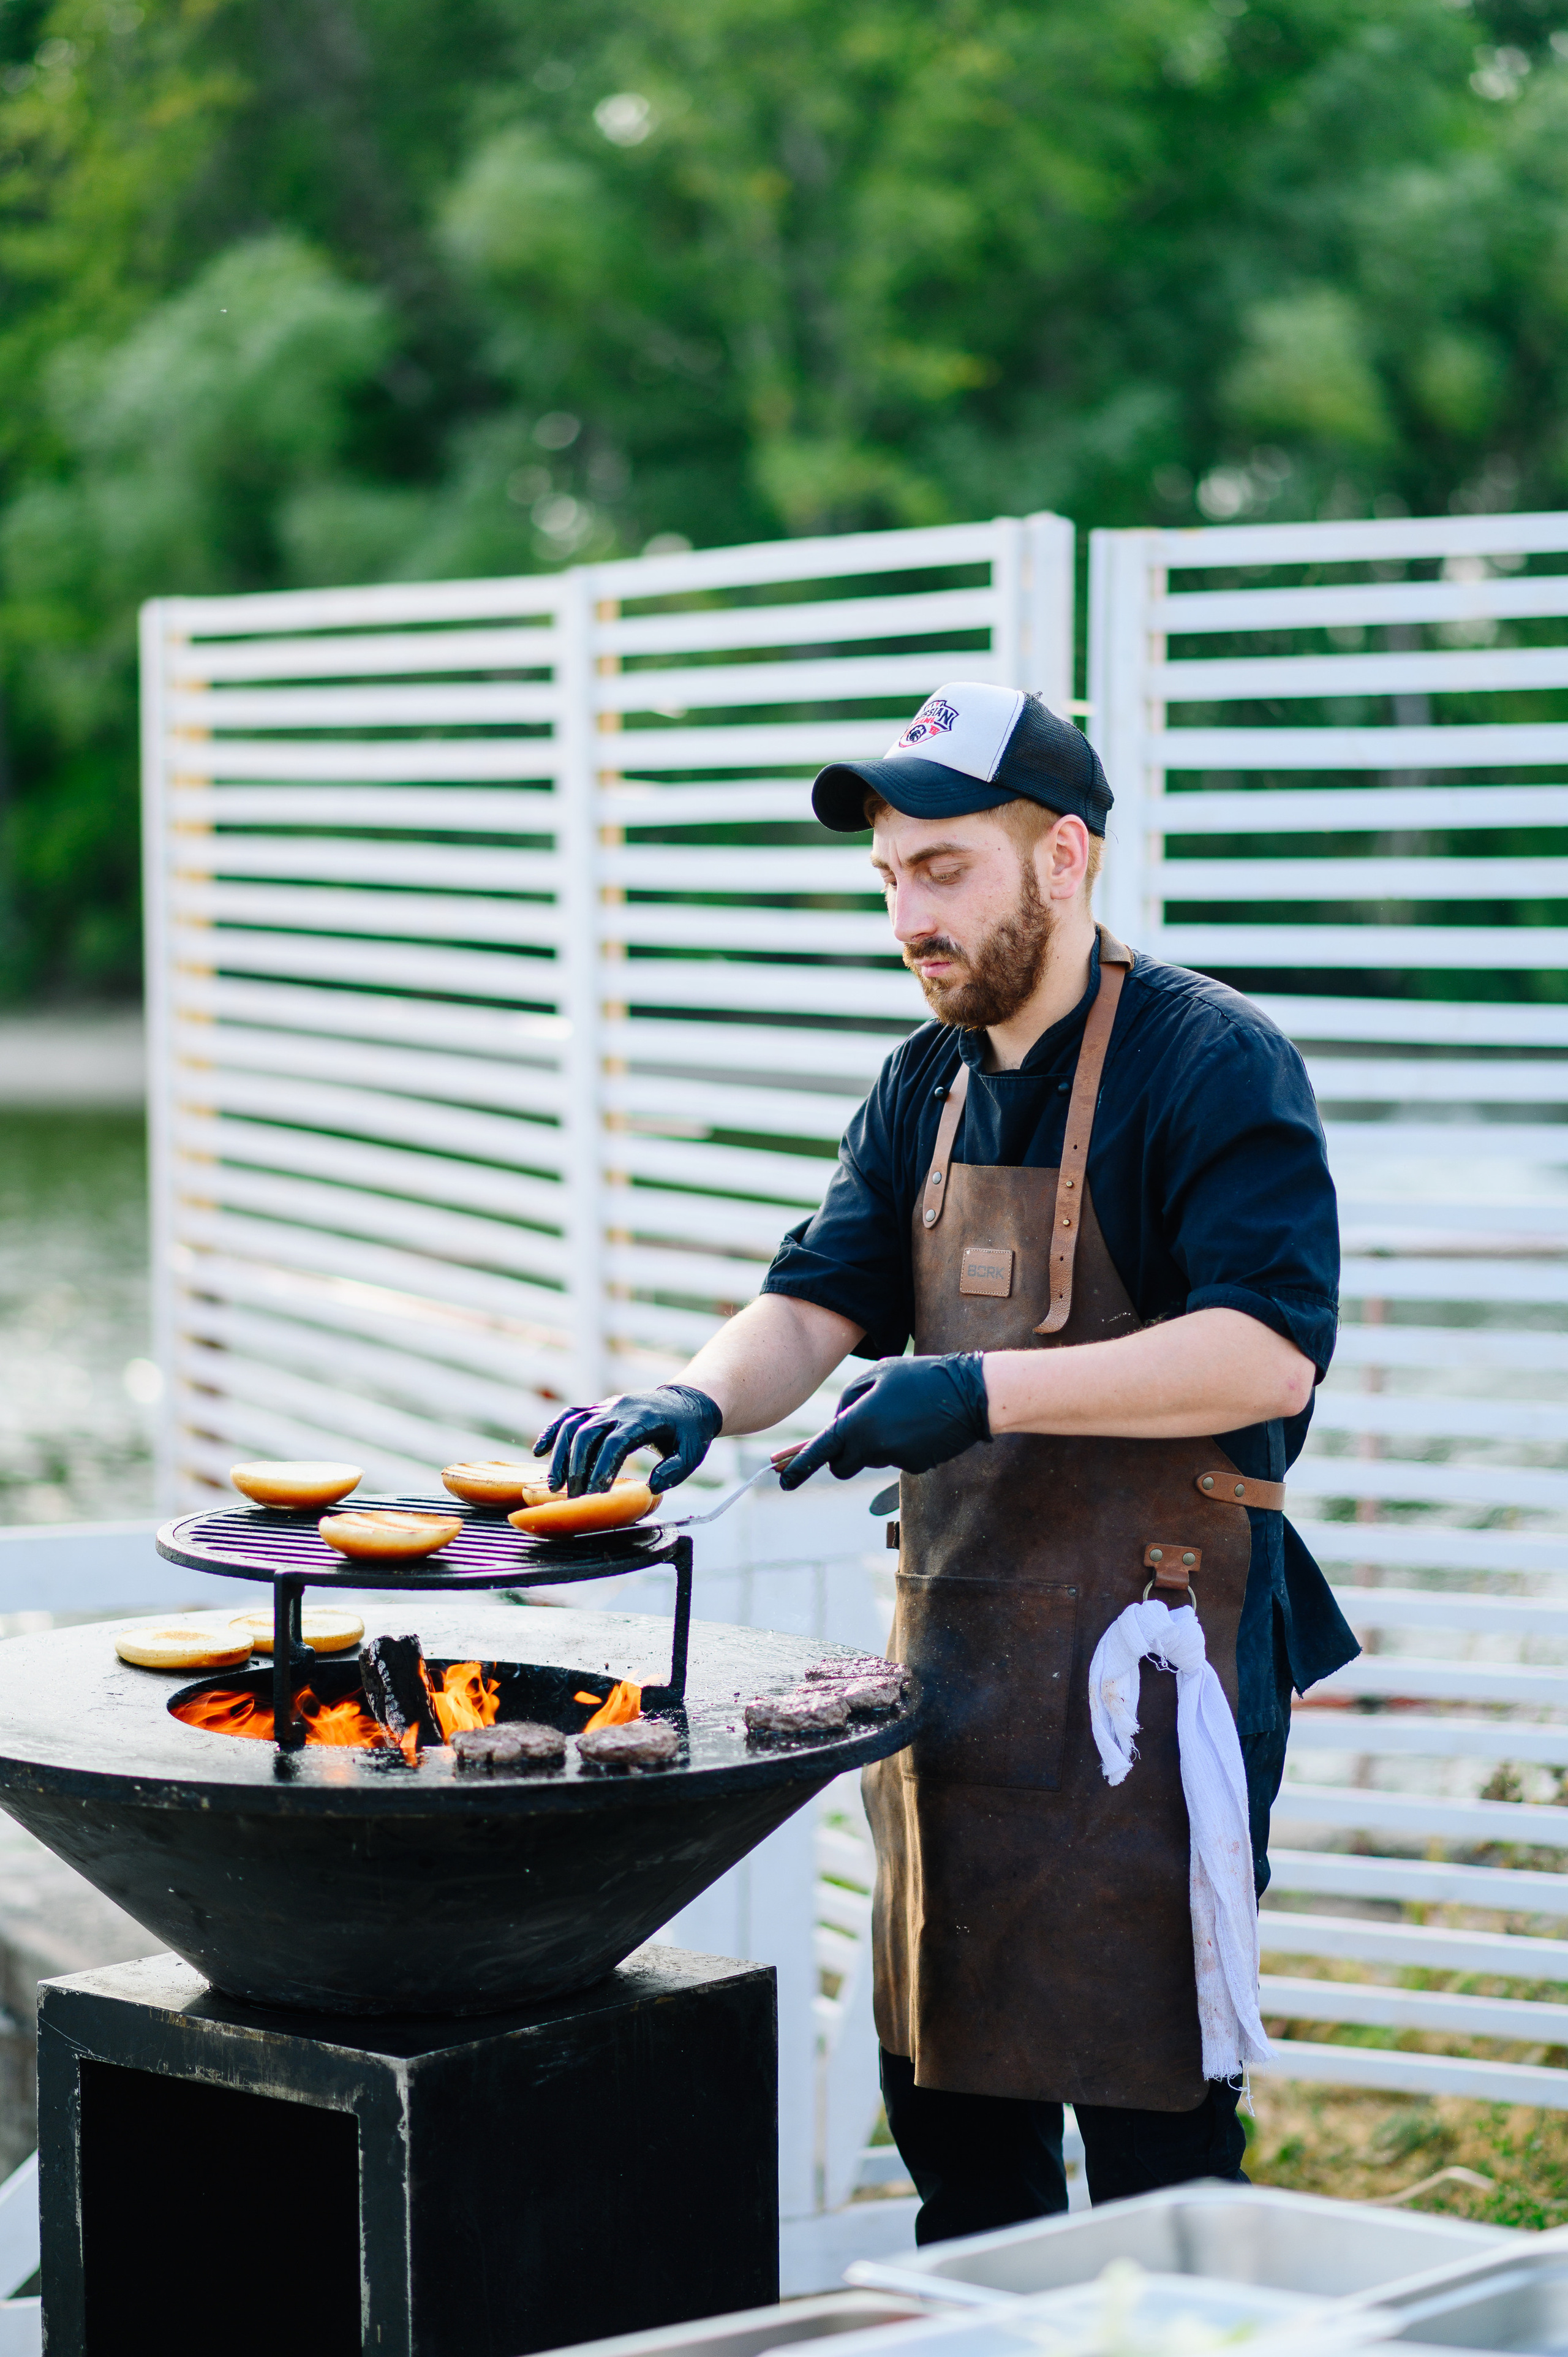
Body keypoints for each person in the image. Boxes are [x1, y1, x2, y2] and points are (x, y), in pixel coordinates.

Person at [536, 681, 1357, 2234]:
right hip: (959, 1672)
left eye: (945, 870)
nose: (909, 916)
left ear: (1063, 856)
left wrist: (976, 1389)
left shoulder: (1211, 1060)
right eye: (891, 880)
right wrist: (696, 1398)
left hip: (1156, 1670)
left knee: (1152, 2156)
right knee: (958, 2147)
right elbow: (815, 1300)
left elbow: (1266, 1347)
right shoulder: (922, 1080)